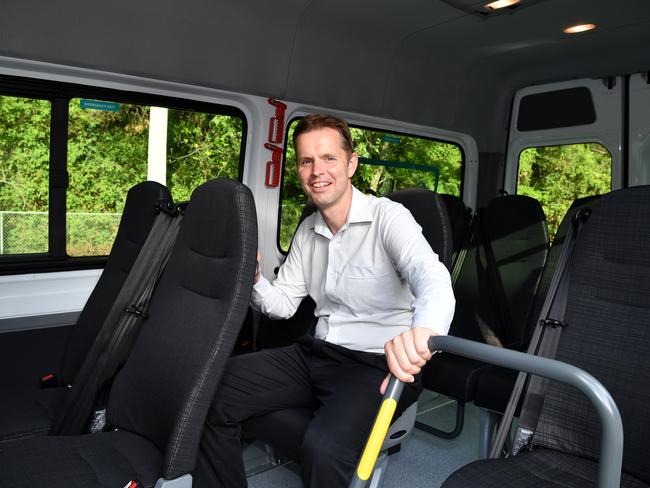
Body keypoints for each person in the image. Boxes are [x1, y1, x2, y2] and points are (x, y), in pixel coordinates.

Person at [194, 114, 455, 487]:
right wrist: (253, 279)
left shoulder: (389, 218)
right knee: (209, 391)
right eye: (306, 161)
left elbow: (432, 276)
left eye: (329, 158)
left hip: (376, 366)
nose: (318, 170)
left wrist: (421, 335)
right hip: (317, 354)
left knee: (324, 450)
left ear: (351, 163)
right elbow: (283, 303)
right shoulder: (307, 230)